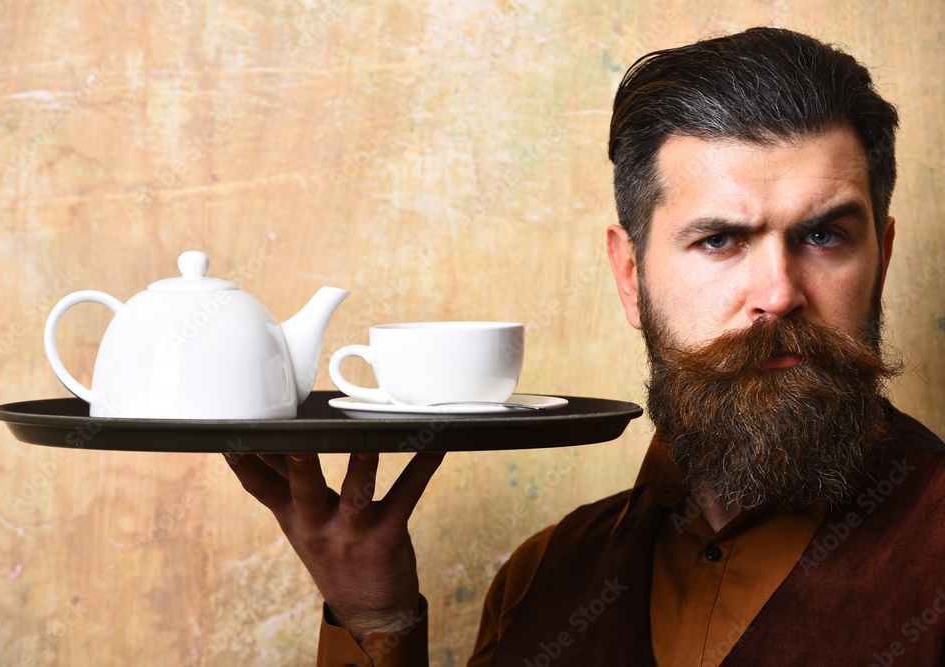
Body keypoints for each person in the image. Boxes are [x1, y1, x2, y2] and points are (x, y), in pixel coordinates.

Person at [224, 27, 945, 665]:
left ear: (880, 257)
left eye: (824, 235)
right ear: (631, 276)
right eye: (720, 239)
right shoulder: (545, 579)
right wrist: (371, 615)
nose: (779, 292)